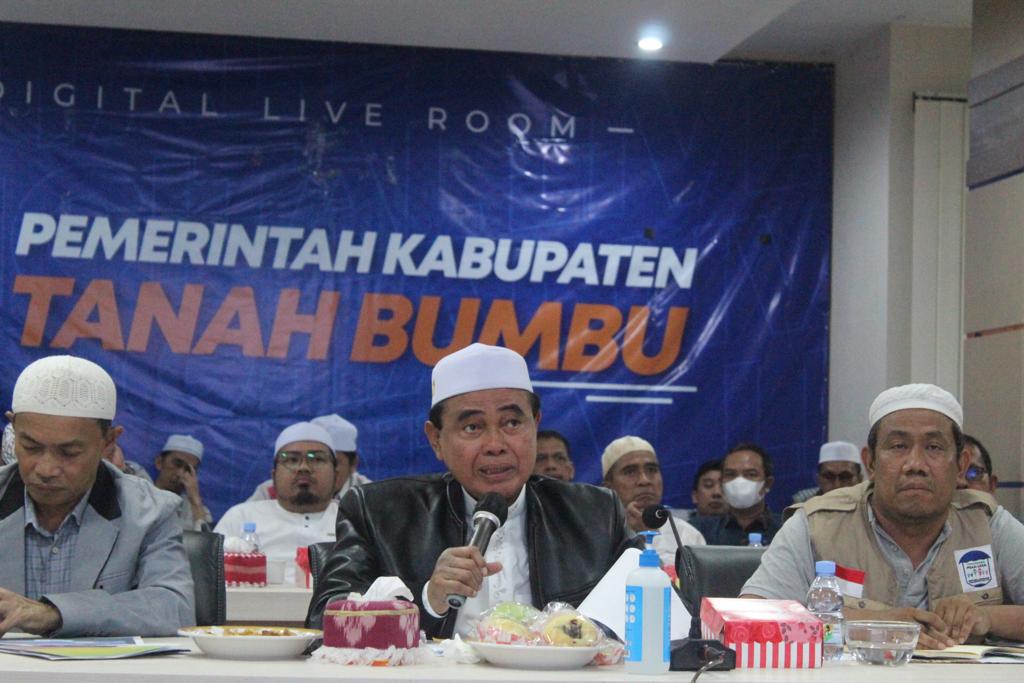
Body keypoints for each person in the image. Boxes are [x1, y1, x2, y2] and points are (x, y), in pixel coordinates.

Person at [306, 343, 637, 639]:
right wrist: (427, 601)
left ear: (535, 424)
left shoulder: (597, 514)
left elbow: (654, 622)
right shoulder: (377, 512)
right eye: (472, 427)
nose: (495, 445)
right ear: (436, 440)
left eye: (512, 423)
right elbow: (324, 626)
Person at [741, 383, 1024, 648]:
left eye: (934, 448)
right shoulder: (817, 524)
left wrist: (987, 617)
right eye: (898, 446)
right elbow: (752, 617)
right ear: (871, 463)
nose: (915, 464)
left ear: (961, 465)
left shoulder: (987, 523)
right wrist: (871, 626)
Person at [0, 355, 194, 636]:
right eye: (30, 447)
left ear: (108, 442)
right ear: (13, 429)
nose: (46, 469)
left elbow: (175, 608)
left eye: (69, 453)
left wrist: (56, 614)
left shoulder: (150, 512)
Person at [215, 421, 338, 583]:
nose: (304, 468)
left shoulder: (353, 520)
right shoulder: (241, 516)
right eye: (292, 459)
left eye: (317, 459)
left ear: (336, 475)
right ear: (273, 475)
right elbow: (209, 575)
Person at [602, 435, 704, 567]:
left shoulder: (687, 535)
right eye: (630, 472)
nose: (644, 480)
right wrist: (631, 536)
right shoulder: (596, 536)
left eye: (651, 470)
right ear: (608, 487)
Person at [245, 413, 371, 503]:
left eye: (320, 460)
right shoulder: (271, 492)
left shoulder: (369, 497)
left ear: (353, 464)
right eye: (315, 460)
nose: (306, 468)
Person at [694, 443, 782, 545]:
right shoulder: (698, 530)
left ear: (767, 484)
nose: (739, 481)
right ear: (722, 483)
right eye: (730, 474)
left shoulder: (786, 529)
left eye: (751, 474)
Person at [153, 434, 212, 531]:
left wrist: (195, 501)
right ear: (159, 462)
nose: (180, 473)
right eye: (177, 464)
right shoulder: (140, 496)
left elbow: (206, 539)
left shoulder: (198, 510)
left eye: (188, 469)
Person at [791, 441, 863, 503]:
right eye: (829, 477)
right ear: (818, 479)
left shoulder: (867, 504)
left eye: (845, 477)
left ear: (860, 480)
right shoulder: (804, 501)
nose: (837, 485)